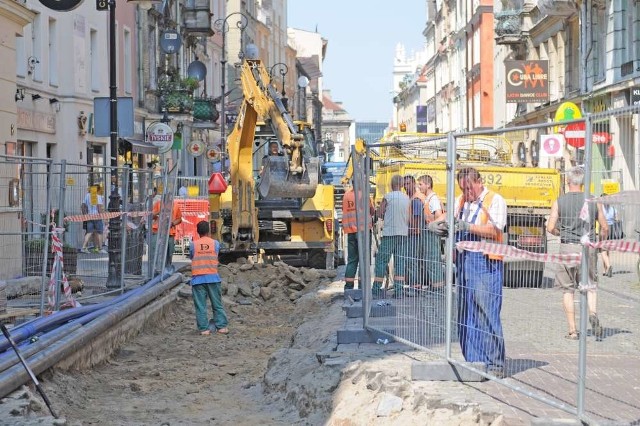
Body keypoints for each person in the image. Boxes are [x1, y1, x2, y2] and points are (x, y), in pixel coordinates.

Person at [454, 167, 506, 375]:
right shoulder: (461, 201)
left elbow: (495, 230)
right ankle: (474, 361)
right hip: (465, 261)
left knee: (486, 313)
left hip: (485, 264)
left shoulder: (495, 200)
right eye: (463, 189)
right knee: (466, 313)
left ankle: (495, 363)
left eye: (469, 188)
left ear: (479, 182)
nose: (467, 193)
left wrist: (466, 226)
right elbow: (454, 223)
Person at [546, 166, 607, 340]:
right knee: (590, 285)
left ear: (568, 181)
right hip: (588, 247)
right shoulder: (594, 201)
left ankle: (573, 330)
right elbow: (604, 226)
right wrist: (600, 241)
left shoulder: (559, 201)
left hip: (567, 247)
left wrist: (560, 233)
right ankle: (593, 313)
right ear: (583, 183)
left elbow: (550, 227)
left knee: (568, 289)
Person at [189, 220, 229, 336]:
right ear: (209, 231)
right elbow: (215, 255)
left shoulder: (193, 245)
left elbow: (192, 256)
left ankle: (204, 329)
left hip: (198, 280)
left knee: (200, 306)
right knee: (217, 304)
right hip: (213, 278)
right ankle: (221, 327)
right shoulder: (215, 243)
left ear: (198, 232)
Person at [373, 174, 409, 298]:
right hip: (403, 234)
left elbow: (380, 213)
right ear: (402, 185)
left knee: (381, 261)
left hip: (389, 234)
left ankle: (376, 290)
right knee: (400, 262)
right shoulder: (407, 198)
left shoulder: (388, 197)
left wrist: (382, 215)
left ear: (391, 185)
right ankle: (399, 291)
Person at [341, 181, 375, 290]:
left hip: (351, 231)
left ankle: (348, 287)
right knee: (364, 260)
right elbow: (372, 211)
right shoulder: (364, 195)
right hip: (363, 231)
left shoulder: (346, 195)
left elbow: (344, 210)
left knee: (352, 260)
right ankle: (362, 287)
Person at [417, 174, 446, 288]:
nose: (419, 187)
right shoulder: (428, 199)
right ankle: (435, 286)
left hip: (431, 234)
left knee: (433, 262)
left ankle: (437, 289)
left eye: (421, 184)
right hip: (428, 234)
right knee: (430, 261)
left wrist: (431, 226)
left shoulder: (433, 199)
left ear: (428, 185)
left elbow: (439, 216)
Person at [151, 191, 182, 268]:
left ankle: (167, 268)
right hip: (158, 232)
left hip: (170, 233)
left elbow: (179, 219)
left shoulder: (175, 206)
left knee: (169, 253)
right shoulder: (158, 204)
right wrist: (159, 212)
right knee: (155, 251)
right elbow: (151, 216)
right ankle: (155, 268)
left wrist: (173, 224)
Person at [80, 185, 107, 254]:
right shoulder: (98, 196)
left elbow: (83, 206)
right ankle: (100, 249)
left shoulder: (87, 195)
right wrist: (103, 217)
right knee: (99, 233)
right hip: (97, 217)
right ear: (97, 190)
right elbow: (99, 208)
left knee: (89, 232)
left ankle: (84, 247)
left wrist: (85, 215)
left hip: (89, 216)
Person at [599, 193, 620, 278]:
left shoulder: (601, 209)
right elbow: (617, 219)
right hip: (611, 229)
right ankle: (605, 270)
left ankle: (608, 266)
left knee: (602, 250)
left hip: (603, 228)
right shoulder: (613, 209)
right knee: (607, 249)